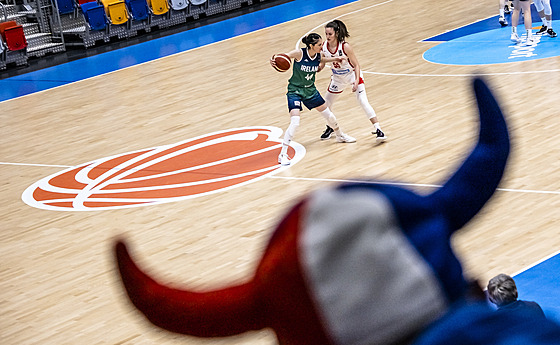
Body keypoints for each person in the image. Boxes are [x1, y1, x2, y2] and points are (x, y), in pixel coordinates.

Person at [114, 78, 560, 345]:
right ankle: (325, 131)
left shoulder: (338, 52)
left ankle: (347, 128)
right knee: (316, 114)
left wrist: (354, 77)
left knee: (338, 111)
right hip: (314, 91)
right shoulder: (528, 323)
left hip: (334, 89)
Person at [270, 32, 356, 166]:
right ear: (311, 45)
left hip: (310, 91)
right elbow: (285, 56)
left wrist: (337, 58)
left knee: (330, 116)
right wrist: (275, 60)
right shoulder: (299, 53)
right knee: (295, 121)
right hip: (295, 91)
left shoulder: (318, 55)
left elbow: (323, 60)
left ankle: (340, 135)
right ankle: (283, 154)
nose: (322, 46)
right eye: (319, 45)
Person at [318, 20, 386, 143]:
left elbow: (356, 65)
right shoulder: (323, 46)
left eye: (330, 34)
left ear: (336, 33)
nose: (327, 37)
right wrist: (317, 69)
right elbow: (322, 63)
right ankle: (331, 127)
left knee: (362, 101)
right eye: (326, 34)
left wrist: (356, 81)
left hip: (352, 75)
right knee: (326, 104)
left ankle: (378, 130)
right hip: (337, 78)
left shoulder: (345, 47)